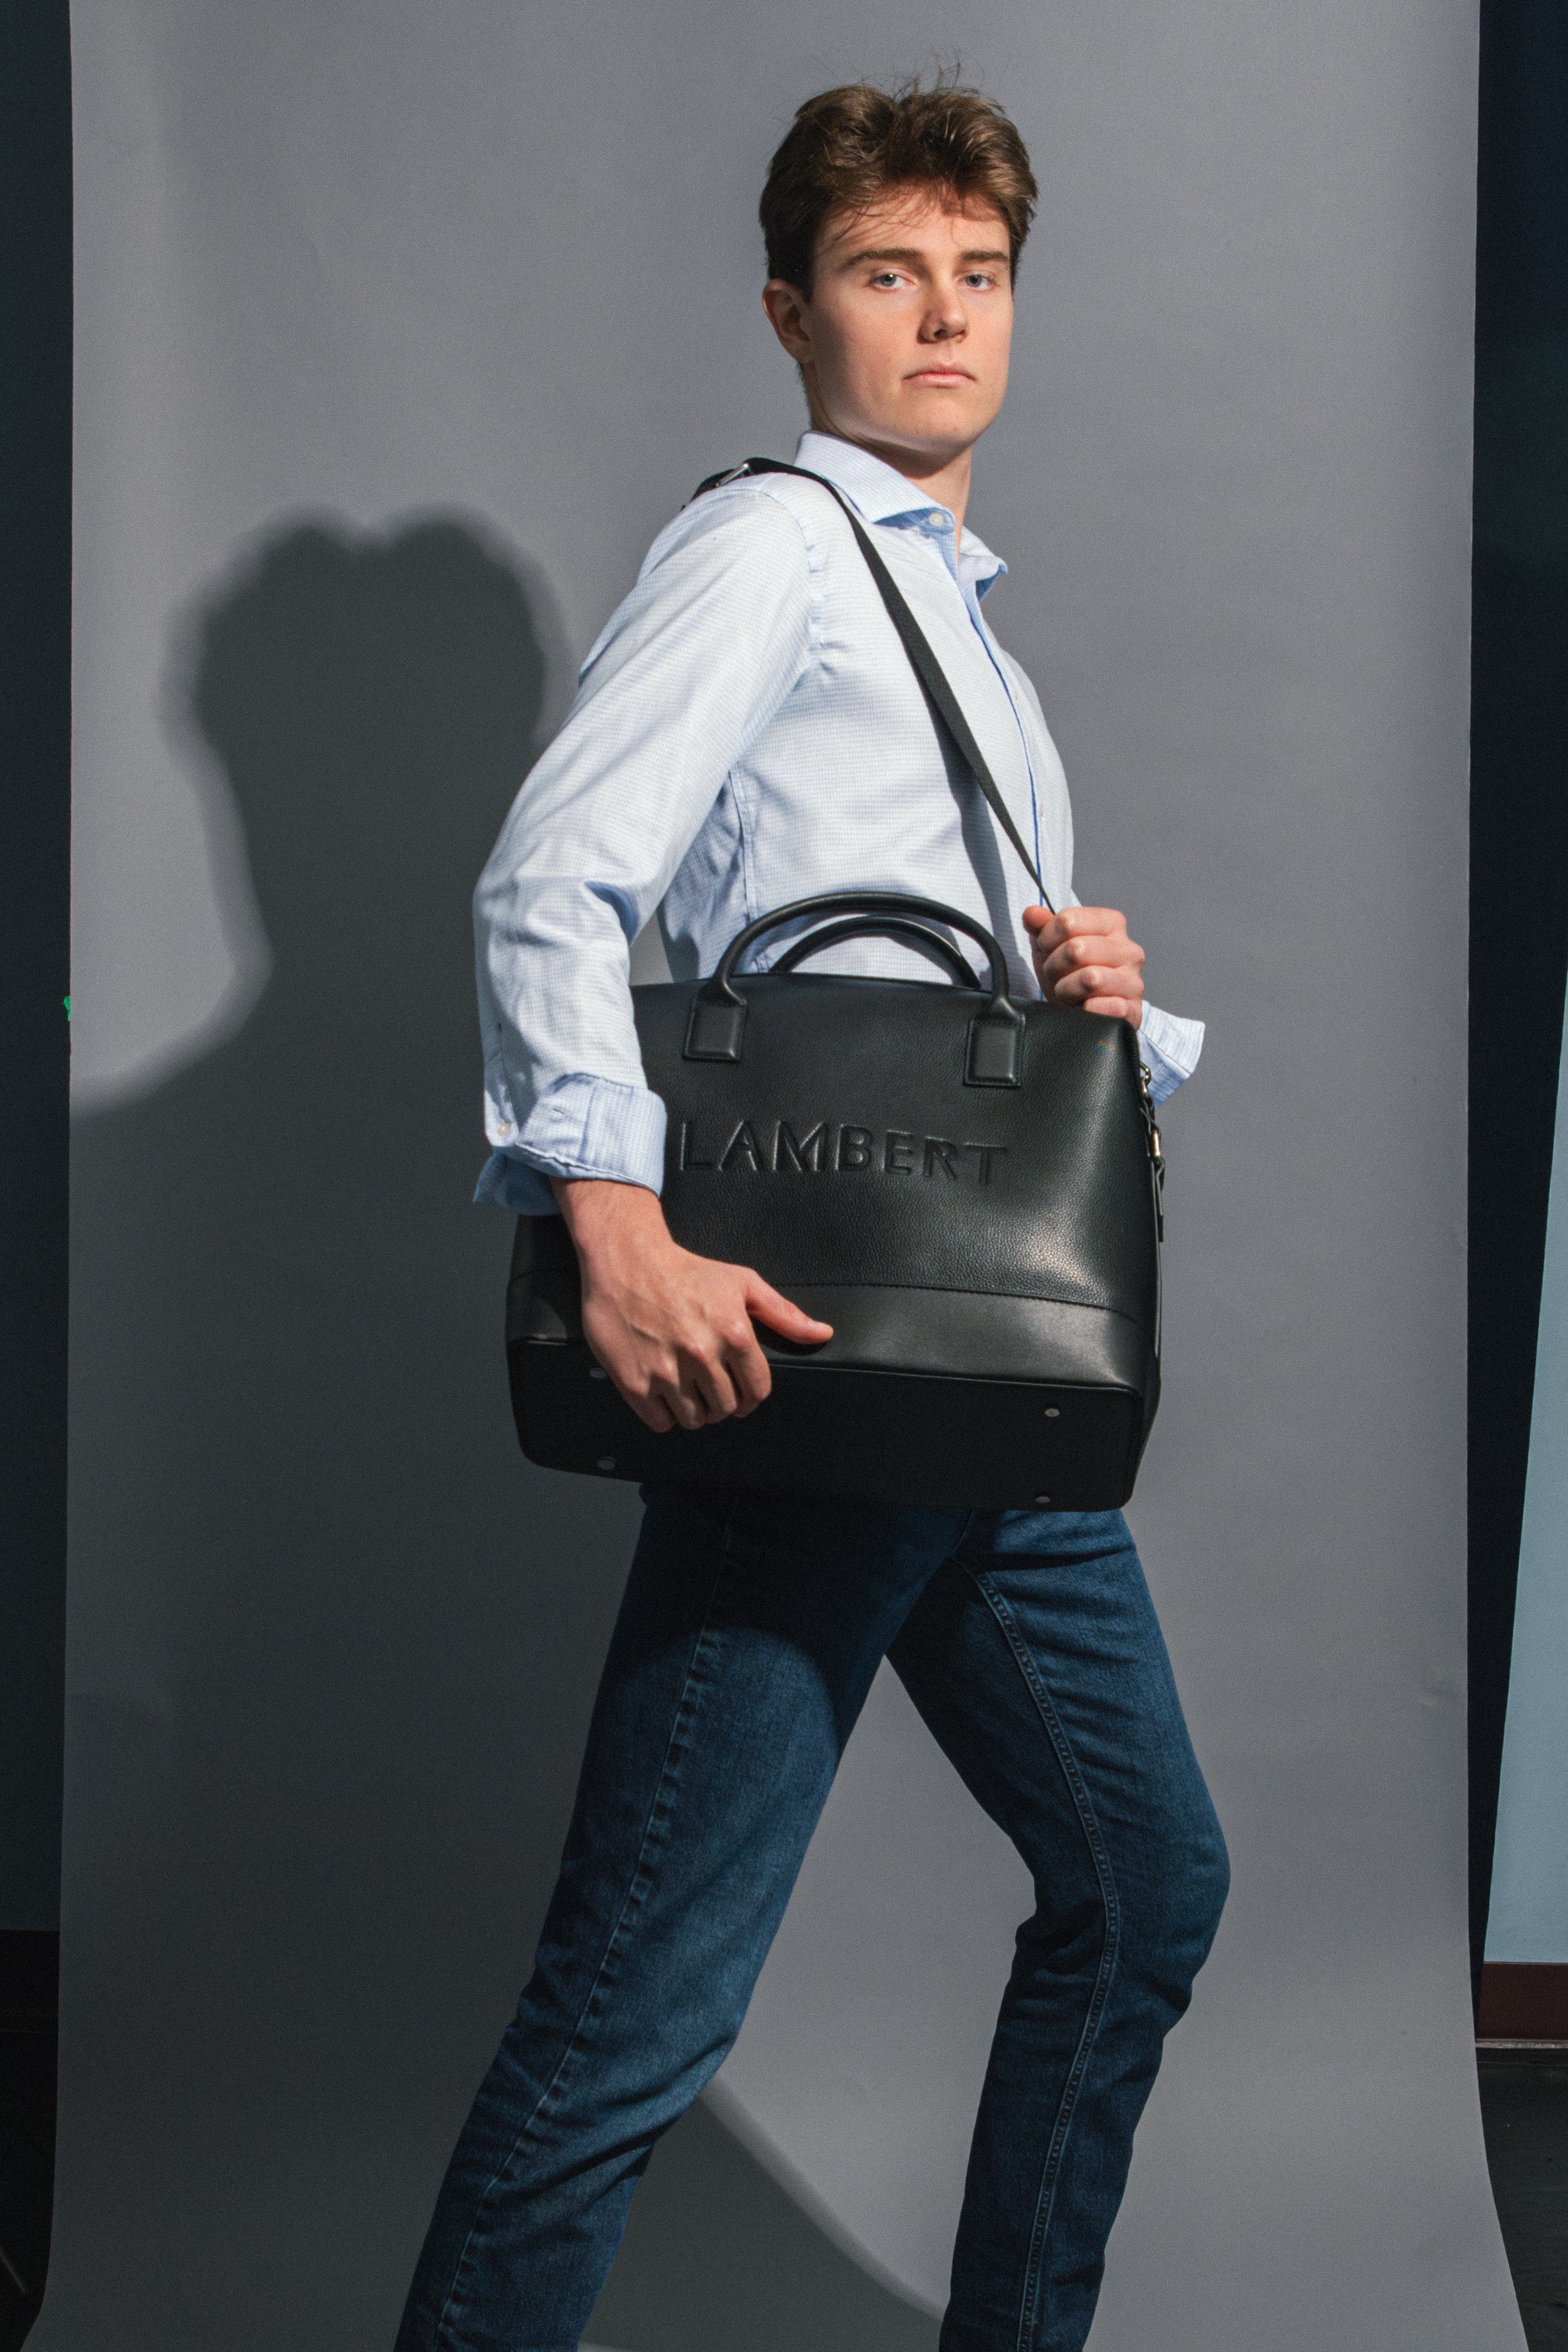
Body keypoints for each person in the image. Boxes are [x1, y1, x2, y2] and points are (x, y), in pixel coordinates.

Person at [397, 77, 1229, 2352]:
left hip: (978, 1367)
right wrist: (614, 1219)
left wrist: (1083, 996)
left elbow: (887, 969)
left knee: (1145, 1886)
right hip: (815, 1359)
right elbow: (553, 882)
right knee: (636, 2008)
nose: (943, 317)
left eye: (978, 275)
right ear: (792, 311)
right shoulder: (771, 548)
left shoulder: (954, 623)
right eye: (887, 274)